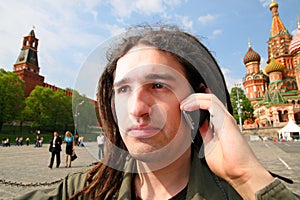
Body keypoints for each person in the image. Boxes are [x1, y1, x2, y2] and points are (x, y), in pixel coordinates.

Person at [15, 26, 299, 200]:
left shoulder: (243, 193)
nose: (136, 109)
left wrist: (247, 177)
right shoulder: (87, 191)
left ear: (201, 100)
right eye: (123, 89)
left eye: (158, 85)